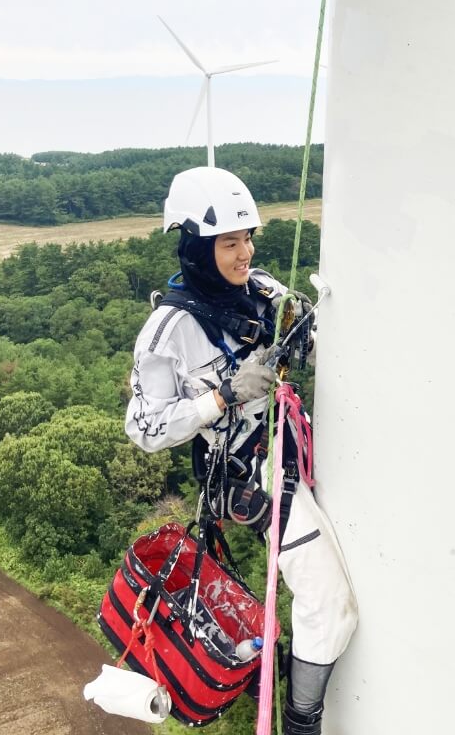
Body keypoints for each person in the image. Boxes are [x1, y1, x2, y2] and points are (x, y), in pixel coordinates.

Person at [125, 166, 358, 735]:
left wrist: (307, 329)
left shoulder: (261, 292)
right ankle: (303, 721)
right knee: (326, 598)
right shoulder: (169, 331)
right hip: (247, 472)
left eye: (248, 238)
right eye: (230, 243)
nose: (244, 253)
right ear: (198, 249)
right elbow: (145, 428)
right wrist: (220, 398)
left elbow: (316, 348)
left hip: (291, 445)